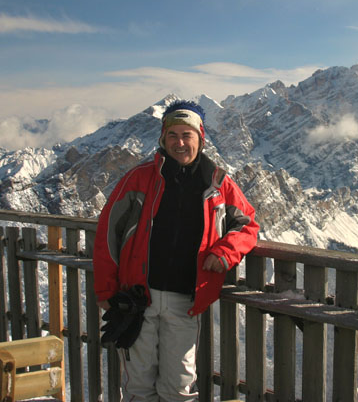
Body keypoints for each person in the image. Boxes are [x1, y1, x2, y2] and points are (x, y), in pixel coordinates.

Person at [93, 99, 259, 401]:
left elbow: (248, 225)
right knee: (138, 387)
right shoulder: (139, 178)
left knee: (178, 387)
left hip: (186, 302)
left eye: (187, 135)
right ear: (162, 138)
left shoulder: (218, 182)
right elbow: (107, 234)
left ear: (201, 138)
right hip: (138, 299)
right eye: (173, 135)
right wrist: (106, 290)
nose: (180, 143)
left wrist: (225, 252)